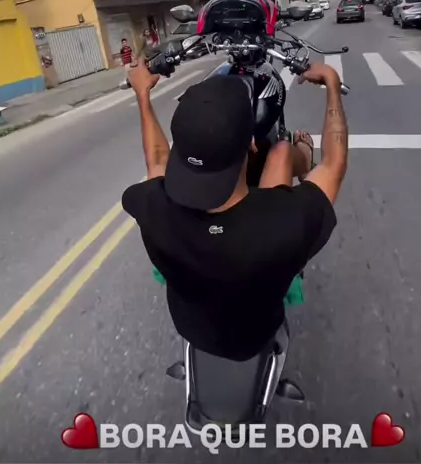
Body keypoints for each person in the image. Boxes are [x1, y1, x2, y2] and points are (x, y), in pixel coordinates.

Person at [122, 57, 348, 362]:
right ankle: (302, 155)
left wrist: (142, 94)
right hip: (256, 335)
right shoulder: (288, 223)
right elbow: (334, 164)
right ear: (252, 144)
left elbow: (157, 160)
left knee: (282, 154)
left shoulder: (153, 209)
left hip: (191, 328)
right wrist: (332, 84)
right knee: (283, 152)